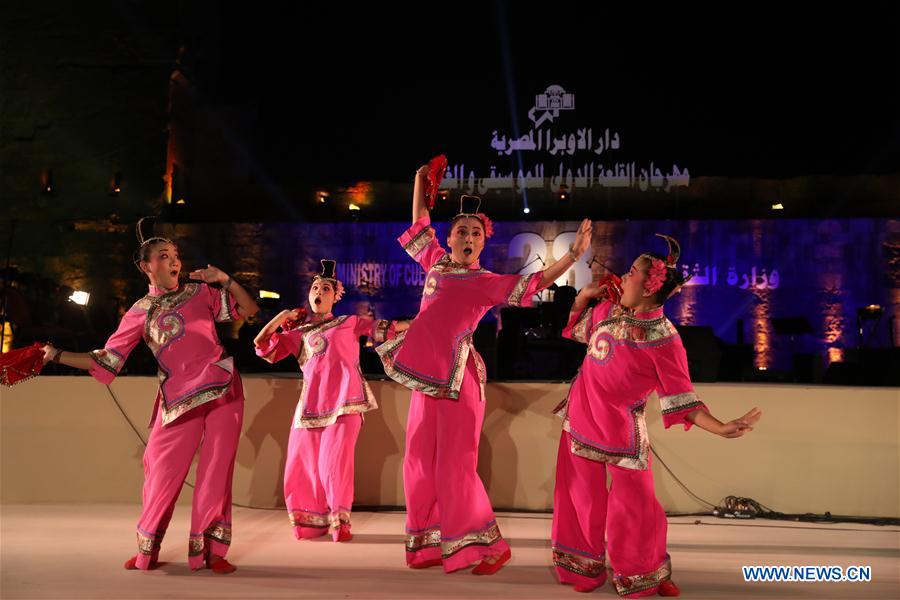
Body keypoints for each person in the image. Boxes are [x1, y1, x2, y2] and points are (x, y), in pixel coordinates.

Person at [376, 162, 592, 574]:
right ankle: (426, 543)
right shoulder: (435, 263)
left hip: (460, 381)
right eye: (462, 231)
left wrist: (572, 257)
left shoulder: (486, 281)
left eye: (476, 233)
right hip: (426, 378)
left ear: (483, 242)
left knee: (455, 465)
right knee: (418, 460)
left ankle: (490, 548)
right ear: (450, 238)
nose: (469, 237)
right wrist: (420, 179)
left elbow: (535, 283)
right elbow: (420, 220)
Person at [41, 221, 259, 573]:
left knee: (216, 473)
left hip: (222, 390)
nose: (173, 262)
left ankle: (212, 552)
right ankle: (148, 548)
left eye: (175, 256)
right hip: (176, 399)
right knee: (159, 472)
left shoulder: (201, 293)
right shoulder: (139, 312)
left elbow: (247, 310)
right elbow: (108, 360)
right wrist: (57, 355)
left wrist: (226, 280)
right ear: (145, 266)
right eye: (162, 257)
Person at [551, 234, 762, 596]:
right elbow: (575, 332)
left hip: (622, 434)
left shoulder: (665, 339)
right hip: (581, 423)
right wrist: (583, 299)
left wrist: (721, 428)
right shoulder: (608, 311)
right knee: (581, 501)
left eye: (631, 272)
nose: (622, 276)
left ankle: (644, 572)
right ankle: (583, 570)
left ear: (649, 287)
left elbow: (682, 399)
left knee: (637, 508)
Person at [254, 260, 409, 542]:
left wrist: (424, 320)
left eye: (326, 288)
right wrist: (281, 318)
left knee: (333, 463)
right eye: (315, 287)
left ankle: (340, 522)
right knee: (300, 465)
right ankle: (311, 523)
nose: (319, 292)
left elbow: (388, 328)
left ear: (335, 296)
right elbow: (262, 346)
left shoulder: (349, 323)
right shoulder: (297, 333)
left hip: (345, 404)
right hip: (309, 408)